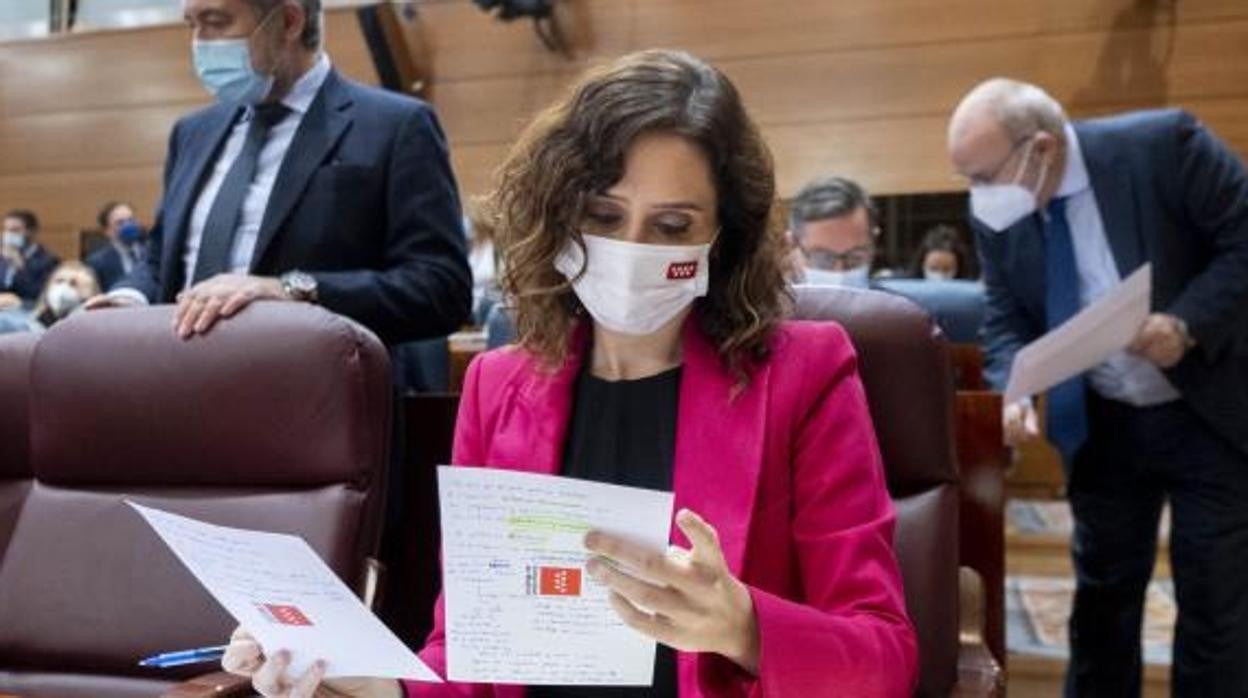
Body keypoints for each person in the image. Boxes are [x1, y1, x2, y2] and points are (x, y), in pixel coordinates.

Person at [222, 49, 918, 698]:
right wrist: (357, 674)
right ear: (558, 220)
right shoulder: (499, 388)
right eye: (603, 215)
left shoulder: (805, 374)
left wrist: (743, 626)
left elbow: (885, 657)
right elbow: (470, 657)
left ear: (722, 238)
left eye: (673, 226)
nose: (631, 247)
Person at [948, 77, 1248, 695]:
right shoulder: (1001, 215)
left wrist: (1188, 324)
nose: (978, 197)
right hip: (1105, 422)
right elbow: (1005, 313)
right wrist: (1010, 388)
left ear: (1043, 149)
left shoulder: (1164, 145)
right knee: (1103, 601)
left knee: (1216, 598)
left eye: (983, 176)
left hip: (1207, 412)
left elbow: (1243, 239)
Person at [90, 0, 471, 345]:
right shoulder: (192, 133)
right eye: (192, 24)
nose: (199, 43)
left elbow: (440, 288)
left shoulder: (395, 125)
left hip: (314, 399)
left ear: (289, 21)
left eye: (216, 21)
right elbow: (160, 260)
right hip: (178, 389)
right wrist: (128, 298)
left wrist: (288, 290)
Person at [787, 175, 880, 287]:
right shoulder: (769, 303)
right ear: (792, 246)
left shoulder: (895, 303)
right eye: (823, 258)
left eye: (855, 257)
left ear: (873, 243)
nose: (839, 273)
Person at [0, 209, 60, 309]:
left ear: (31, 232)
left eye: (15, 230)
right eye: (6, 229)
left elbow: (41, 295)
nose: (9, 234)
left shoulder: (48, 260)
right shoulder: (2, 256)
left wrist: (19, 264)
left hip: (26, 312)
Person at [85, 201, 149, 292]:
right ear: (107, 231)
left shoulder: (153, 254)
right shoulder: (97, 263)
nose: (128, 225)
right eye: (120, 223)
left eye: (131, 220)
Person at [33, 261, 102, 328]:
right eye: (59, 281)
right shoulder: (31, 326)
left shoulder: (92, 329)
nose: (63, 288)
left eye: (73, 284)